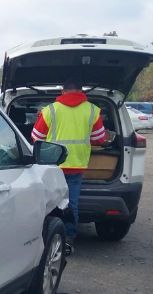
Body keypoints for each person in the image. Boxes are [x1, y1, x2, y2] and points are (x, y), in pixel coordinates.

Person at [31, 79, 108, 254]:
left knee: (48, 202)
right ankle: (68, 239)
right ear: (81, 91)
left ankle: (43, 239)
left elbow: (36, 137)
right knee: (71, 203)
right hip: (77, 165)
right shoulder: (92, 110)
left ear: (62, 91)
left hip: (52, 165)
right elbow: (100, 138)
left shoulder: (50, 110)